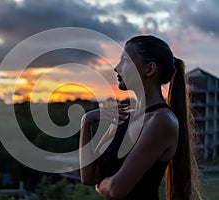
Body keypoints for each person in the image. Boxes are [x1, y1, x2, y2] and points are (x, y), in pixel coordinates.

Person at [79, 35, 202, 200]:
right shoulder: (124, 116)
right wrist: (86, 121)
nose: (116, 68)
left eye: (125, 61)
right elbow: (89, 176)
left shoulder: (162, 121)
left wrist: (101, 186)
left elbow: (116, 189)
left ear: (150, 69)